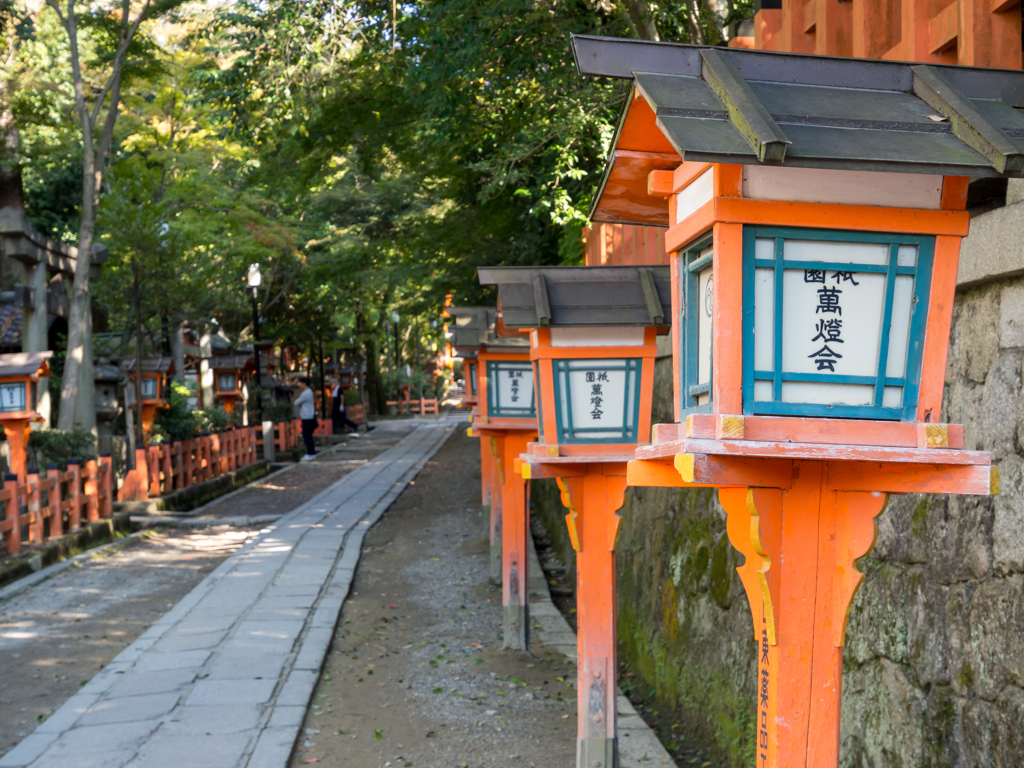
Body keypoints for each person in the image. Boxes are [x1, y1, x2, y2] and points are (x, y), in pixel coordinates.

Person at [293, 377, 317, 461]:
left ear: (304, 383)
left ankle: (310, 453)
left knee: (306, 436)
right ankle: (311, 452)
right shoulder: (309, 392)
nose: (299, 385)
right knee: (308, 435)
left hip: (307, 417)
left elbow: (296, 402)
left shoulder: (306, 393)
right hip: (309, 416)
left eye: (300, 383)